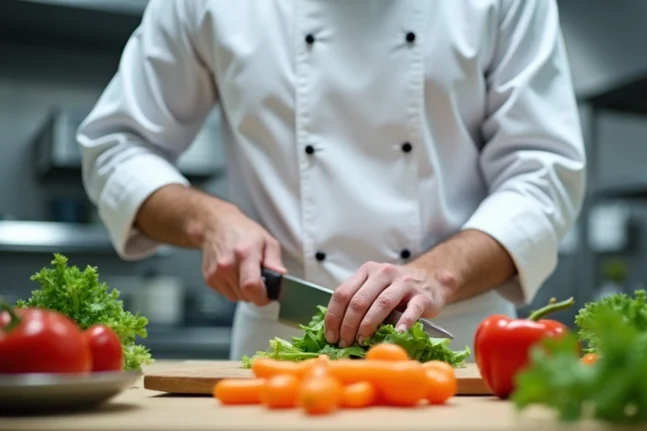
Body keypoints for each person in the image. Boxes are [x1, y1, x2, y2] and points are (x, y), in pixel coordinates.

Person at [77, 0, 585, 360]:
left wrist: (438, 275)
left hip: (456, 344)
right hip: (282, 344)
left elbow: (543, 172)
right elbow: (116, 147)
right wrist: (209, 220)